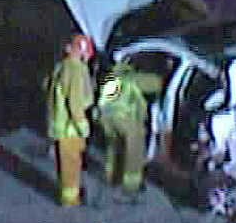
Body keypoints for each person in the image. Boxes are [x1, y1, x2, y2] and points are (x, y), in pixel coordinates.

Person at [95, 59, 163, 200]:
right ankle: (131, 185)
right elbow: (157, 84)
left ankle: (111, 176)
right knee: (134, 151)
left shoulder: (110, 78)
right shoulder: (132, 78)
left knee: (114, 148)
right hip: (126, 119)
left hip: (107, 119)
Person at [44, 33, 95, 207]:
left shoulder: (62, 66)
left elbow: (47, 86)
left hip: (61, 125)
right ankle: (70, 199)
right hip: (70, 127)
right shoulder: (75, 70)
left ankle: (68, 193)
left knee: (66, 162)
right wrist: (83, 126)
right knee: (71, 164)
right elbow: (75, 102)